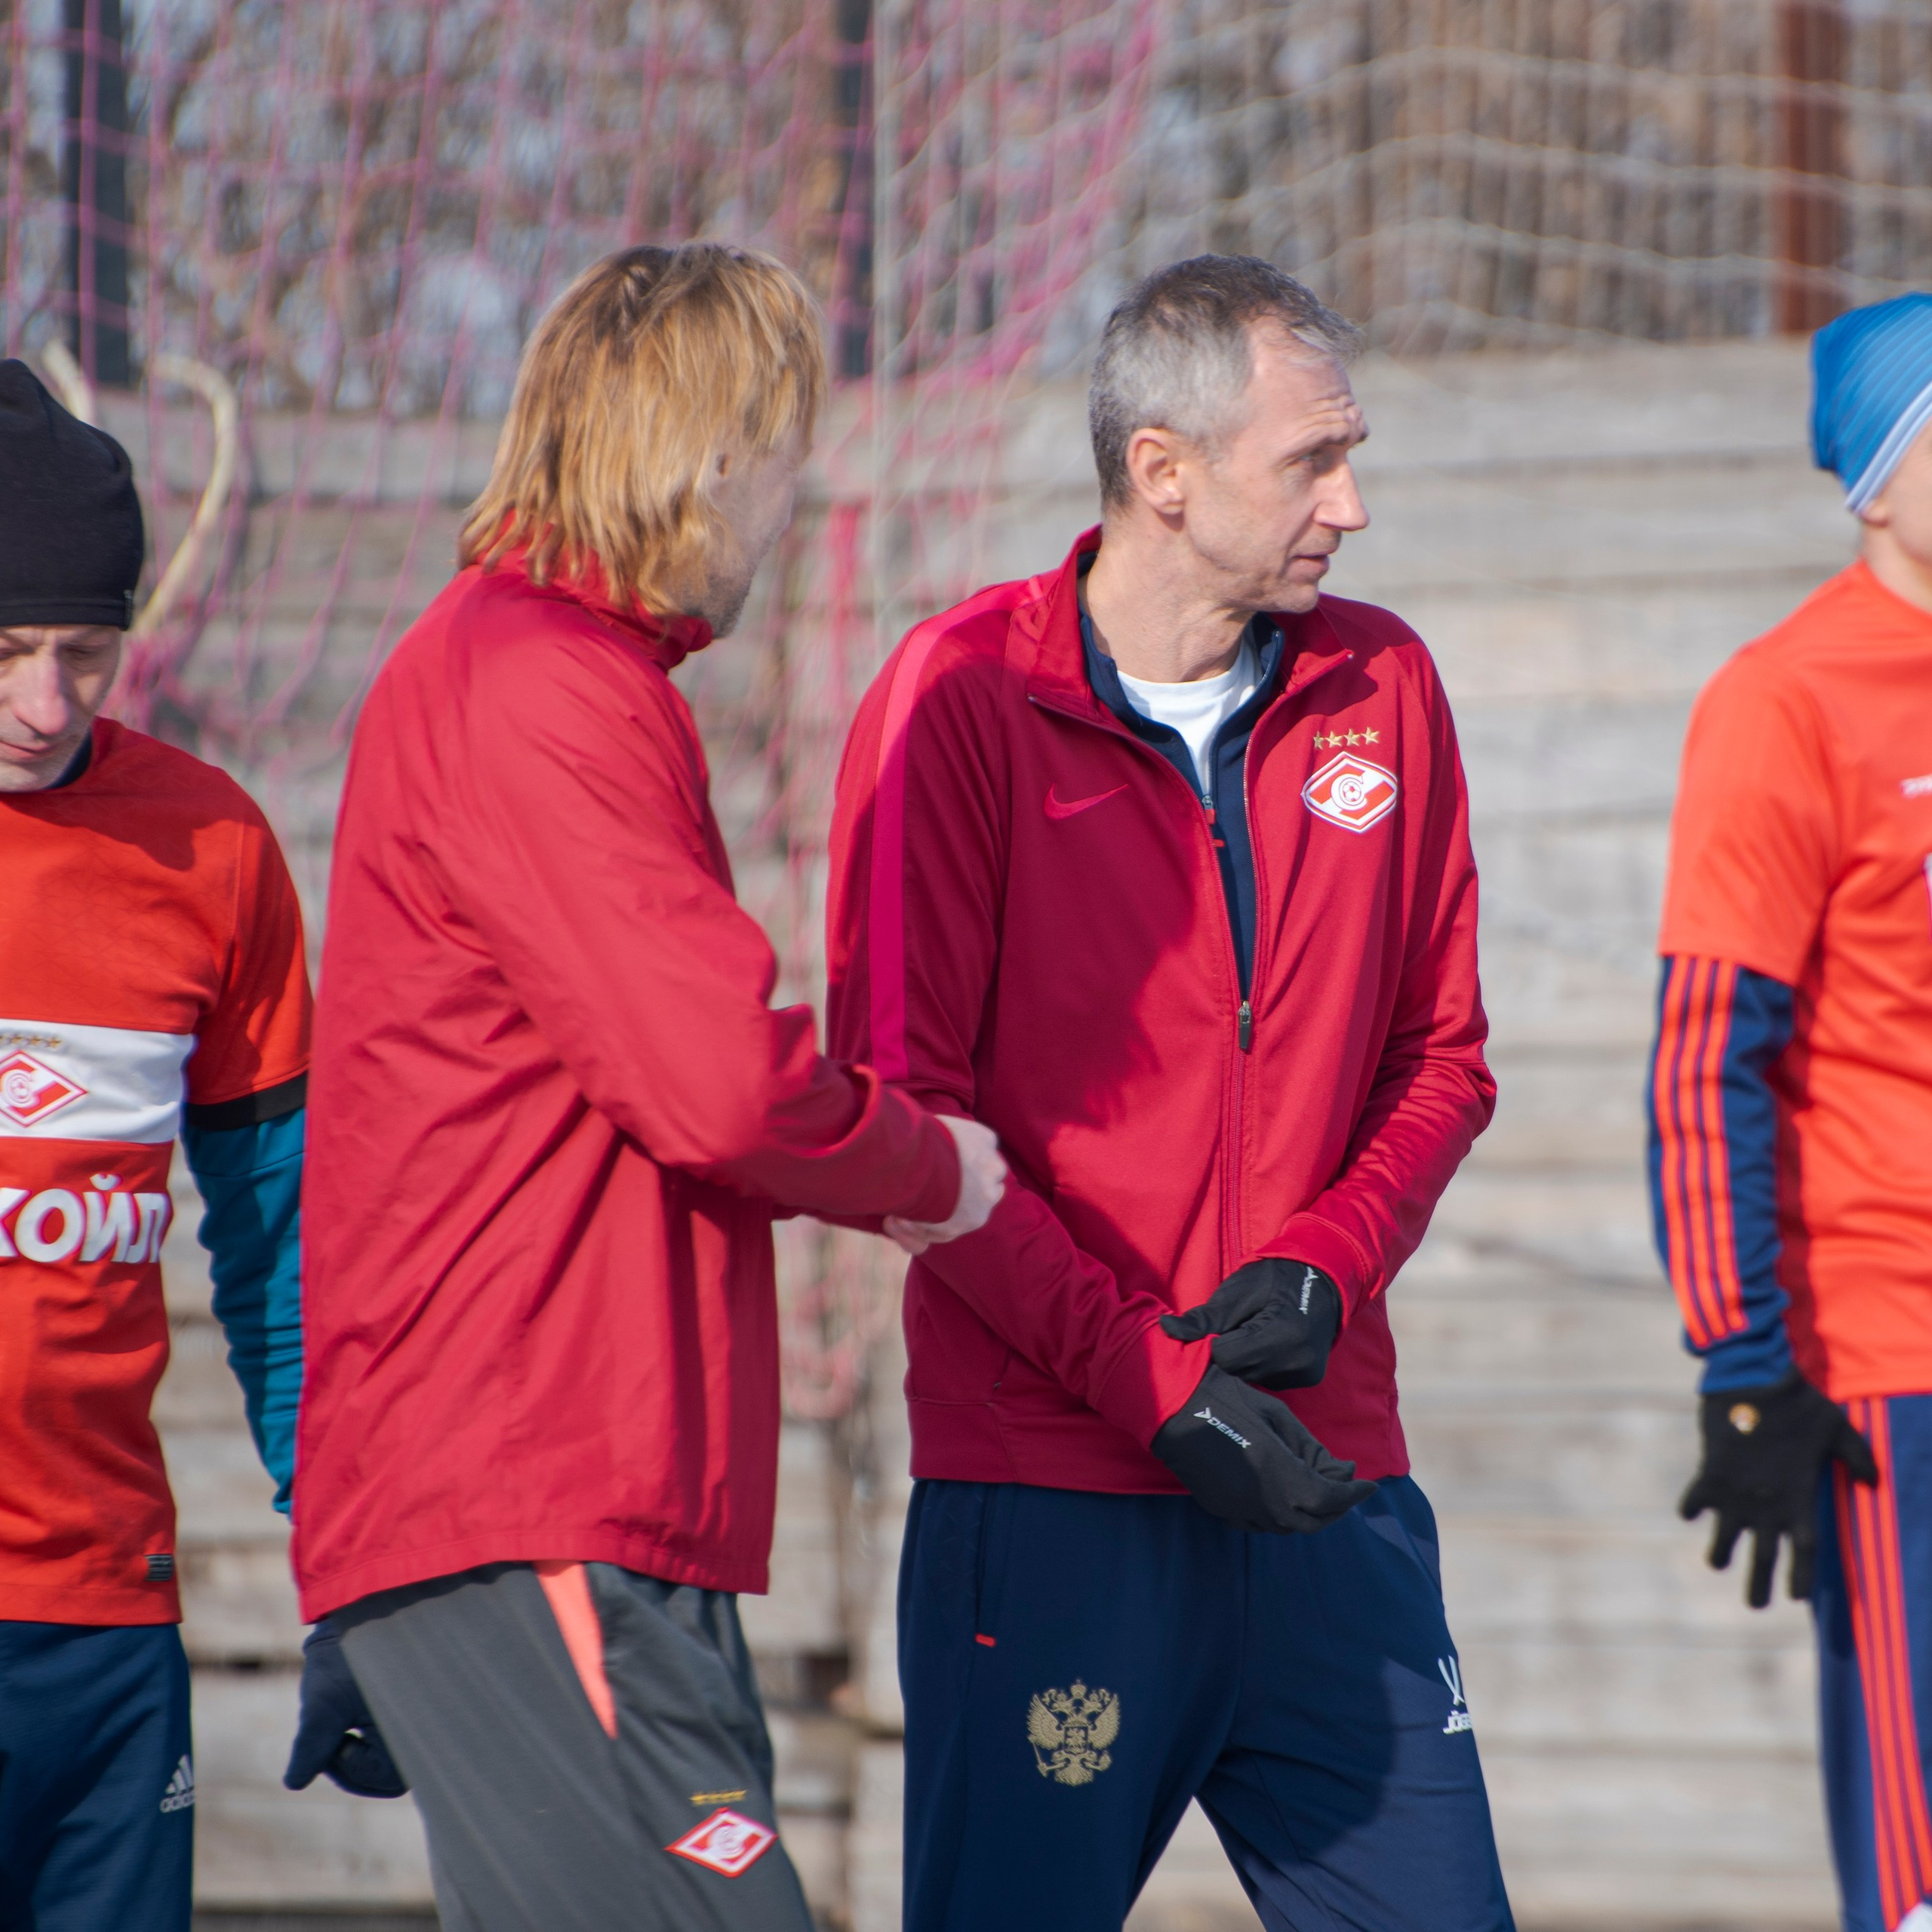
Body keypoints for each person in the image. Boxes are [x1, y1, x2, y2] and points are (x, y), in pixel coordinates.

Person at [288, 242, 1005, 1932]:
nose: (787, 497)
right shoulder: (536, 685)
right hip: (529, 1475)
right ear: (702, 455)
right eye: (778, 452)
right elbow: (712, 1084)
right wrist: (932, 1169)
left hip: (561, 1484)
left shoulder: (553, 671)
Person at [827, 255, 1512, 1930]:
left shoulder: (1384, 686)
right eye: (1310, 460)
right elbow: (906, 1125)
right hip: (1052, 1494)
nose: (1349, 504)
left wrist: (1327, 1259)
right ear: (1160, 470)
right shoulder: (959, 694)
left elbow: (1443, 1056)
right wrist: (1147, 1382)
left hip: (1320, 1481)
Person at [0, 360, 310, 1930]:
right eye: (3, 651)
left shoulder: (213, 848)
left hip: (104, 1636)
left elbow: (280, 1242)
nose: (49, 703)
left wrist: (346, 1541)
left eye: (86, 650)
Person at [1650, 293, 1932, 1932]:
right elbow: (1704, 1055)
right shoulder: (1786, 699)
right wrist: (1742, 1357)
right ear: (1876, 480)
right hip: (1896, 1356)